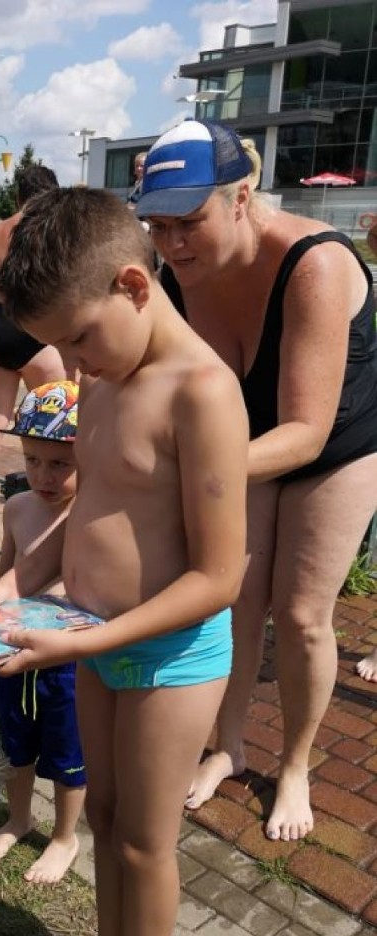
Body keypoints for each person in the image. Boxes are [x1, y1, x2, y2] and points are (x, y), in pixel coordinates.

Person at [0, 186, 247, 936]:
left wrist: (84, 641)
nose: (72, 359)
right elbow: (86, 513)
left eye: (80, 336)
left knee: (144, 837)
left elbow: (217, 576)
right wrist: (19, 584)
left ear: (135, 285)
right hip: (89, 638)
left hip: (168, 655)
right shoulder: (101, 379)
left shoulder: (201, 392)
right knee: (102, 822)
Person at [135, 119, 377, 840]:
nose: (173, 244)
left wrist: (190, 465)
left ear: (241, 197)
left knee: (302, 615)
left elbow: (304, 432)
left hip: (336, 439)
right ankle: (227, 746)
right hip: (245, 432)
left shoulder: (316, 263)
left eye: (189, 222)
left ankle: (296, 765)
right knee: (233, 598)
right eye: (158, 225)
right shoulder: (175, 271)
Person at [0, 381, 85, 885]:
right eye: (32, 459)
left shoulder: (92, 517)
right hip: (12, 652)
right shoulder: (17, 507)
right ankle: (17, 818)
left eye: (60, 464)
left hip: (67, 662)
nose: (42, 475)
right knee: (14, 744)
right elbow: (7, 573)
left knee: (68, 754)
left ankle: (66, 835)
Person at [0, 165, 65, 508]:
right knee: (59, 414)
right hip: (32, 331)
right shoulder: (48, 229)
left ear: (18, 195)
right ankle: (58, 490)